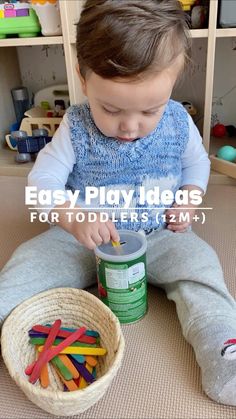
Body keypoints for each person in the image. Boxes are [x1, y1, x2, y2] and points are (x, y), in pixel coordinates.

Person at [1, 0, 236, 406]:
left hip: (161, 231)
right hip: (85, 239)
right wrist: (72, 216)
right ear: (84, 77)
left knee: (201, 269)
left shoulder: (179, 120)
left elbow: (197, 166)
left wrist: (189, 199)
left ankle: (224, 351)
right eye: (110, 108)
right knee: (26, 261)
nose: (130, 126)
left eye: (150, 109)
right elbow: (42, 182)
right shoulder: (75, 126)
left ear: (174, 82)